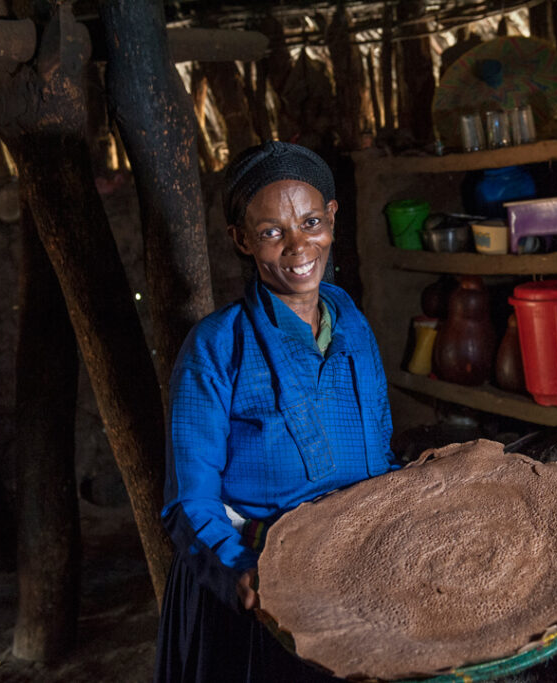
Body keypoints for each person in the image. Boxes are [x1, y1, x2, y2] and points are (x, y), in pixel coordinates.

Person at [154, 141, 399, 682]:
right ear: (240, 239)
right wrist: (240, 572)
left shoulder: (352, 325)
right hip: (260, 577)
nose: (298, 246)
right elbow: (188, 502)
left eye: (311, 221)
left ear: (332, 217)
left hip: (355, 565)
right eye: (271, 232)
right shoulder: (216, 346)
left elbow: (379, 452)